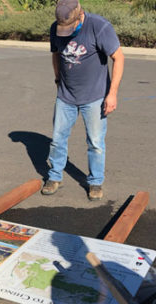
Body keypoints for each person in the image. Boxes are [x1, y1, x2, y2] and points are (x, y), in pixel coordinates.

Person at [41, 0, 124, 201]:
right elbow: (56, 54)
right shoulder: (56, 28)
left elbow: (119, 58)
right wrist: (57, 77)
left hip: (95, 97)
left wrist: (112, 93)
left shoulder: (99, 26)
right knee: (58, 139)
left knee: (95, 142)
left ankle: (95, 181)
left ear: (80, 16)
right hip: (66, 95)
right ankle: (55, 177)